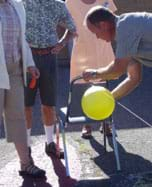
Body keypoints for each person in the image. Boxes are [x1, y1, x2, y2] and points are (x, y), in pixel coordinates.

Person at [24, 0, 77, 157]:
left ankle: (50, 143)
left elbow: (72, 28)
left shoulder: (58, 4)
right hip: (27, 57)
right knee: (25, 104)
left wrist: (61, 43)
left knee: (49, 104)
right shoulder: (21, 4)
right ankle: (25, 145)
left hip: (49, 57)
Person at [0, 0, 45, 177]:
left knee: (18, 116)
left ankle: (25, 164)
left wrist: (30, 64)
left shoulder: (17, 5)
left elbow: (22, 38)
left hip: (15, 70)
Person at [66, 0, 117, 138]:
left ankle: (105, 121)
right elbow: (67, 25)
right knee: (83, 85)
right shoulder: (70, 2)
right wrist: (62, 42)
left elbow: (111, 21)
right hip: (82, 51)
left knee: (105, 84)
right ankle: (86, 124)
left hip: (102, 47)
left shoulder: (106, 1)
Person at [82, 6, 152, 101]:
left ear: (103, 25)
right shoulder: (128, 38)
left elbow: (117, 70)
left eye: (95, 32)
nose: (97, 37)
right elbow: (133, 78)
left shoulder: (125, 26)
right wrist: (108, 99)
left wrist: (94, 73)